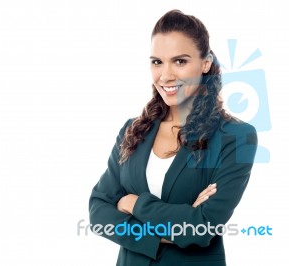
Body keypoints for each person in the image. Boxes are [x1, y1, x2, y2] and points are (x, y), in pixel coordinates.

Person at [88, 9, 257, 266]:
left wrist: (132, 203)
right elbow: (99, 211)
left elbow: (201, 229)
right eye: (157, 62)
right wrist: (170, 229)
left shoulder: (235, 137)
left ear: (205, 62)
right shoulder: (133, 131)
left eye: (180, 61)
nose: (166, 75)